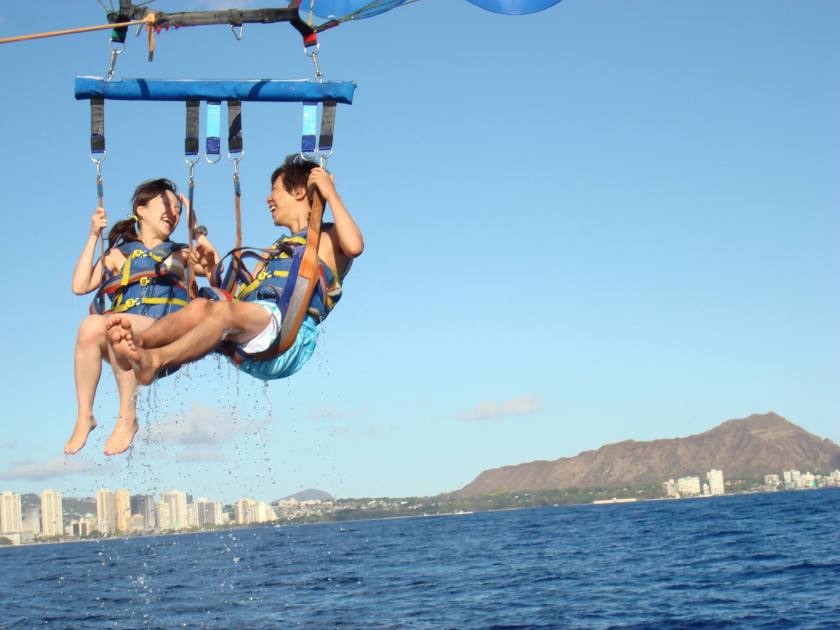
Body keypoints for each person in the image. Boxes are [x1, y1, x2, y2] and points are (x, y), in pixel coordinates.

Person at [106, 156, 363, 388]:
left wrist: (330, 193)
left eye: (274, 189)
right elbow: (238, 296)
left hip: (288, 337)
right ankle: (138, 343)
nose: (268, 199)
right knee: (199, 306)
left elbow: (355, 246)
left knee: (221, 312)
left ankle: (156, 359)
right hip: (254, 336)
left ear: (298, 191)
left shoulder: (328, 237)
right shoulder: (273, 252)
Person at [66, 179, 219, 456]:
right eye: (166, 204)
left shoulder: (182, 253)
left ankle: (128, 417)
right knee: (90, 326)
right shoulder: (119, 254)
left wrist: (197, 229)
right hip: (125, 338)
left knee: (116, 324)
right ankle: (84, 416)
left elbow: (215, 270)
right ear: (141, 210)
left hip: (165, 334)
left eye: (178, 209)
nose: (173, 212)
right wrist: (93, 235)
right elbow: (79, 286)